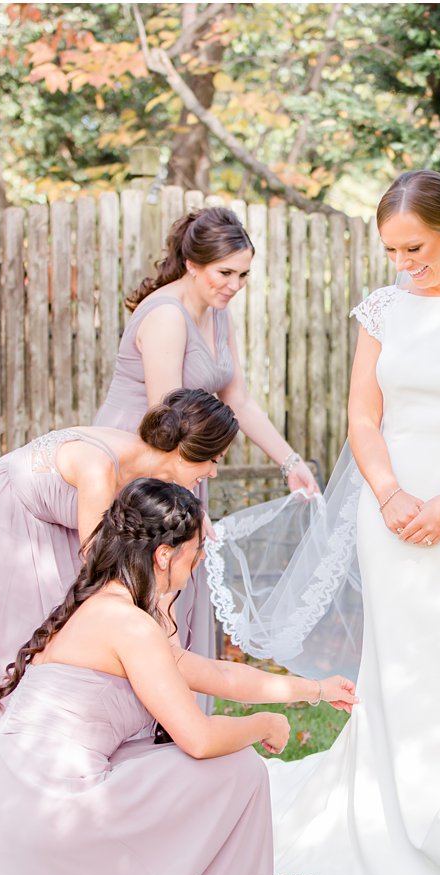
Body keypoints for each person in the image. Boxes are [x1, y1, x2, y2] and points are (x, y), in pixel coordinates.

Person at [230, 169, 440, 875]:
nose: (404, 264)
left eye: (416, 248)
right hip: (390, 507)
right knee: (398, 658)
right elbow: (363, 418)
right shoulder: (381, 310)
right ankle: (387, 813)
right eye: (392, 251)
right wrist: (394, 493)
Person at [0, 479, 355, 875]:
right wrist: (261, 726)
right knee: (238, 769)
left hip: (14, 797)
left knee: (188, 762)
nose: (198, 562)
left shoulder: (112, 608)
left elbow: (214, 673)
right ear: (163, 555)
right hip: (47, 806)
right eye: (195, 552)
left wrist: (316, 690)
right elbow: (198, 739)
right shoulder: (130, 625)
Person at [0, 390, 239, 836]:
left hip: (50, 524)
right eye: (212, 460)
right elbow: (104, 568)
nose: (212, 472)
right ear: (186, 453)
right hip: (6, 518)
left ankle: (49, 779)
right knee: (11, 646)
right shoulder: (100, 469)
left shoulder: (148, 471)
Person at [97, 207, 319, 661]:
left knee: (184, 582)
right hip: (140, 470)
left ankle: (180, 711)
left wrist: (290, 462)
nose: (234, 285)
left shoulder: (218, 315)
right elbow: (167, 423)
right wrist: (190, 505)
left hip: (182, 466)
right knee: (147, 587)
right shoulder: (165, 316)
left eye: (243, 275)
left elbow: (239, 398)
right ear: (193, 263)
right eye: (225, 272)